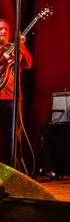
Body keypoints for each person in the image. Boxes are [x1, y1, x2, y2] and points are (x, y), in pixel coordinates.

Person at [0, 19, 32, 165]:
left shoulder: (14, 49)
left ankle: (15, 173)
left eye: (5, 29)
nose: (3, 31)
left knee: (14, 139)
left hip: (10, 98)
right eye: (0, 29)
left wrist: (21, 45)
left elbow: (27, 64)